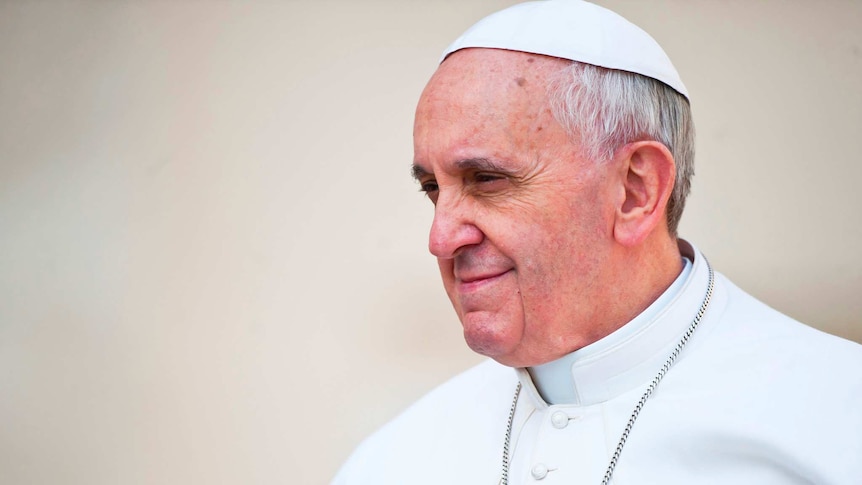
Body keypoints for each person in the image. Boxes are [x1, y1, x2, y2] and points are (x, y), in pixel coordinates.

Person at [332, 1, 862, 483]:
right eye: (432, 189)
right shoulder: (391, 462)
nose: (440, 238)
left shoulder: (837, 420)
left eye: (487, 180)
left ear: (636, 190)